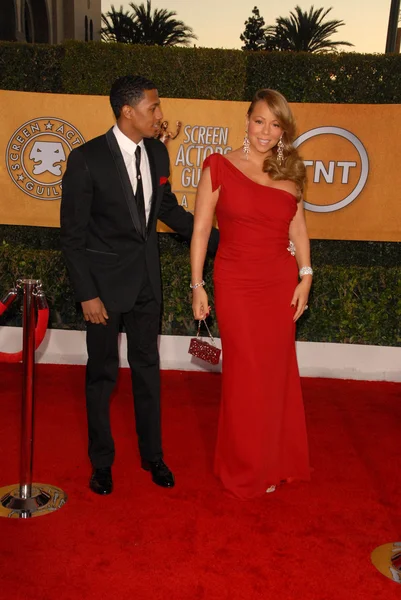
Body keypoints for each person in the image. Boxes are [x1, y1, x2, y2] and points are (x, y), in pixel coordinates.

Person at [60, 75, 218, 495]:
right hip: (103, 291)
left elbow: (168, 210)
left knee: (148, 372)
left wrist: (222, 237)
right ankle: (102, 462)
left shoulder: (157, 155)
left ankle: (153, 456)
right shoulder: (87, 158)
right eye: (153, 108)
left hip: (148, 283)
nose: (160, 115)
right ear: (127, 111)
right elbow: (73, 237)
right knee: (102, 376)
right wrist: (87, 294)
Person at [190, 89, 312, 500]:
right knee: (244, 375)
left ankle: (274, 461)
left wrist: (306, 276)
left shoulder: (291, 172)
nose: (266, 131)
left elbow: (298, 229)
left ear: (284, 130)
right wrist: (197, 283)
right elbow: (202, 230)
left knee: (276, 375)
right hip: (236, 282)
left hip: (279, 283)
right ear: (247, 120)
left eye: (275, 124)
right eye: (260, 121)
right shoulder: (219, 166)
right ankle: (244, 466)